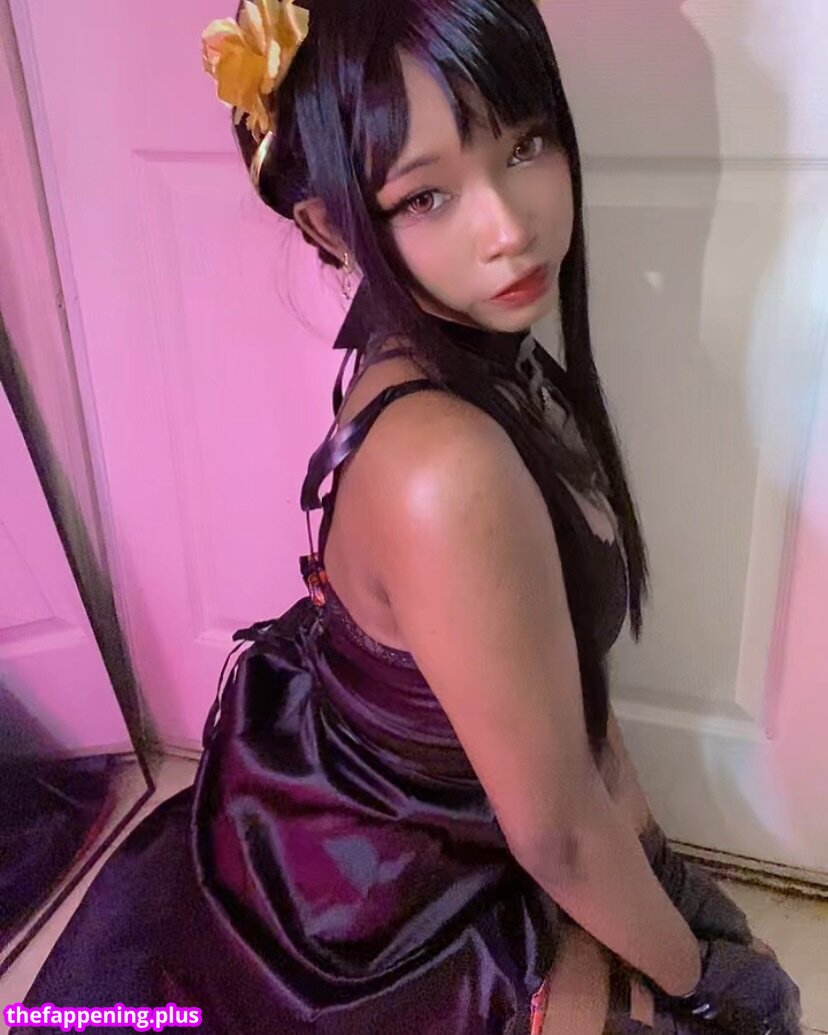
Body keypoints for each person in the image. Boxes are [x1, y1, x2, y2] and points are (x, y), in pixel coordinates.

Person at [14, 1, 802, 1033]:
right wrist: (697, 981)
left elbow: (572, 719)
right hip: (383, 895)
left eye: (525, 145)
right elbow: (559, 835)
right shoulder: (446, 468)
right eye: (427, 195)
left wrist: (658, 870)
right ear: (330, 225)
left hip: (468, 807)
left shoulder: (485, 357)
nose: (509, 227)